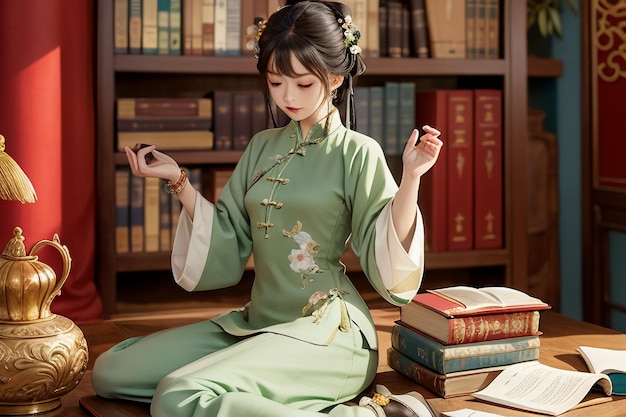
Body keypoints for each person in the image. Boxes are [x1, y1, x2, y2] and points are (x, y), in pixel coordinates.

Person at [91, 1, 443, 416]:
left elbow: (385, 254)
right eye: (276, 83)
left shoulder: (356, 152)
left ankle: (377, 413)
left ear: (334, 77)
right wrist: (178, 180)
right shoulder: (262, 147)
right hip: (257, 321)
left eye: (302, 84)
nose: (287, 97)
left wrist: (412, 177)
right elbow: (230, 234)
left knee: (177, 395)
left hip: (329, 333)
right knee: (111, 371)